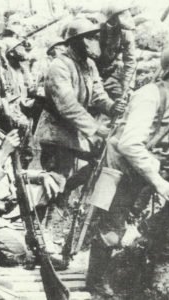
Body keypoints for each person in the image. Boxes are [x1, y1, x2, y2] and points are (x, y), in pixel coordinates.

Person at [86, 42, 169, 297]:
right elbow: (129, 144)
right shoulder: (149, 95)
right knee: (112, 232)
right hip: (122, 168)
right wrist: (159, 182)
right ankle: (97, 282)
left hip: (154, 167)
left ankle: (148, 238)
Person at [0, 86, 66, 268]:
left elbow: (10, 175)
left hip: (3, 212)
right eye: (13, 109)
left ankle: (28, 245)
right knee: (19, 250)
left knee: (50, 184)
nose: (19, 115)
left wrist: (40, 176)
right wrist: (4, 152)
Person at [34, 18, 125, 181]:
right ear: (75, 41)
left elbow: (98, 93)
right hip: (56, 135)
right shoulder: (59, 66)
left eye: (95, 37)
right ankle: (49, 204)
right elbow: (67, 105)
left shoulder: (89, 64)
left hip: (74, 132)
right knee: (55, 180)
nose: (94, 42)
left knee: (102, 159)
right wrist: (96, 128)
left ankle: (66, 193)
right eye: (89, 38)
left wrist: (112, 107)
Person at [97, 1, 136, 100]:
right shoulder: (96, 31)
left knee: (122, 98)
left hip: (111, 75)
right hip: (94, 74)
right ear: (112, 18)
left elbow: (130, 61)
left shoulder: (125, 33)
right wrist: (97, 81)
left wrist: (128, 86)